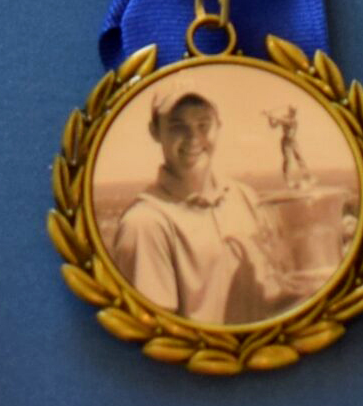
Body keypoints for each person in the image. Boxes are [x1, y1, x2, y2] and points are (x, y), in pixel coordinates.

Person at [110, 87, 292, 324]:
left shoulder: (245, 198)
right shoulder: (145, 224)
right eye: (178, 126)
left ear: (219, 126)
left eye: (203, 125)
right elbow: (155, 334)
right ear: (155, 132)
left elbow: (274, 297)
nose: (193, 137)